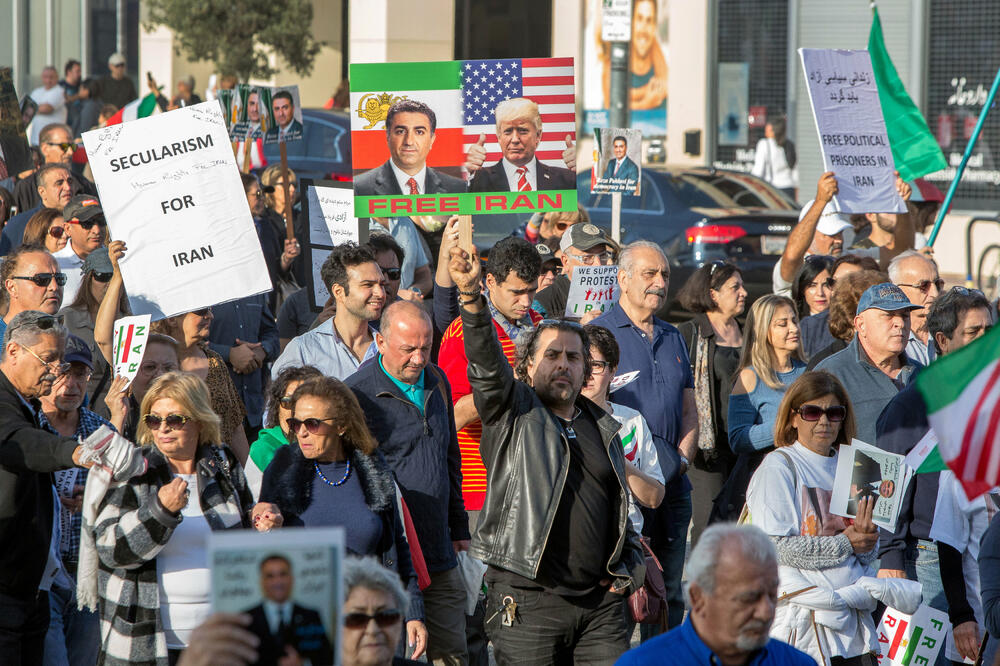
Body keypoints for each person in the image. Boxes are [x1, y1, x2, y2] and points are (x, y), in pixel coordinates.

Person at [446, 242, 645, 664]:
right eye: (551, 355)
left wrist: (630, 568)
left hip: (601, 609)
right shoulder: (514, 411)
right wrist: (470, 298)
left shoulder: (603, 425)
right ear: (527, 366)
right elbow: (485, 367)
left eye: (574, 358)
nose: (564, 365)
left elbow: (618, 504)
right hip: (529, 604)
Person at [747, 371, 921, 665]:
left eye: (834, 412)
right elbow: (772, 547)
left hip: (854, 623)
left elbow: (864, 554)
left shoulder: (858, 466)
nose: (824, 421)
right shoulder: (778, 466)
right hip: (800, 621)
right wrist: (847, 544)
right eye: (812, 412)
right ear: (793, 418)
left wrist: (867, 541)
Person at [257, 376, 428, 658]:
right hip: (306, 622)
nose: (301, 433)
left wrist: (414, 612)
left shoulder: (371, 465)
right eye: (295, 424)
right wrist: (267, 526)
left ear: (342, 425)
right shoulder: (282, 467)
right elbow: (262, 542)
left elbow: (396, 544)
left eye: (312, 424)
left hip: (369, 620)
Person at [93, 371, 256, 665]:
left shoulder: (223, 464)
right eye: (154, 420)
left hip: (220, 642)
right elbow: (110, 549)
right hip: (145, 640)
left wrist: (264, 526)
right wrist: (160, 511)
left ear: (200, 419)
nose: (163, 428)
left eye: (175, 419)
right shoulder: (133, 468)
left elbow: (246, 545)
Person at [348, 301, 471, 665]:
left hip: (438, 548)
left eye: (426, 347)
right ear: (380, 341)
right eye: (408, 349)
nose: (419, 359)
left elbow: (450, 456)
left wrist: (459, 526)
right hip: (390, 558)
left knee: (452, 653)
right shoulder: (357, 395)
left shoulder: (437, 379)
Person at [876, 287, 993, 664]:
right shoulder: (911, 405)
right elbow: (888, 484)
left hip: (985, 550)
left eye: (990, 330)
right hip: (928, 558)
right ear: (942, 340)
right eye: (973, 332)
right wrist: (890, 556)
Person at [591, 240, 695, 633]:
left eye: (664, 274)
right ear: (623, 279)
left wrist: (683, 460)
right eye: (649, 273)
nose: (659, 282)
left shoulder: (674, 336)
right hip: (620, 487)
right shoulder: (598, 335)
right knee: (619, 593)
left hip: (672, 484)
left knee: (667, 593)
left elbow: (689, 408)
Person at [0, 311, 99, 663]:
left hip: (34, 586)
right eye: (49, 359)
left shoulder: (25, 404)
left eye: (62, 360)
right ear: (13, 352)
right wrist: (77, 451)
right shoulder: (4, 404)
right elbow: (20, 442)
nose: (57, 369)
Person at [438, 236, 543, 513]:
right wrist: (509, 383)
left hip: (532, 482)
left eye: (532, 291)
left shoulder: (543, 328)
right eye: (517, 292)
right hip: (480, 488)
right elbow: (452, 415)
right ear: (491, 282)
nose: (527, 301)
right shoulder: (461, 333)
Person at [614, 524, 814, 666]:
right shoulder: (644, 662)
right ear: (698, 597)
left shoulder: (796, 662)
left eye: (772, 595)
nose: (766, 612)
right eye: (748, 598)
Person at [41, 335, 116, 666]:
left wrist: (102, 499)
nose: (70, 384)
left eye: (80, 374)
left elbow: (126, 494)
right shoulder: (26, 427)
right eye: (62, 373)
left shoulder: (101, 431)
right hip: (41, 577)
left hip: (90, 574)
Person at [676, 261, 746, 544]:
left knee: (741, 525)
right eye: (734, 287)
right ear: (713, 294)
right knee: (708, 526)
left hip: (744, 446)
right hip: (707, 450)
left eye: (742, 286)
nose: (743, 292)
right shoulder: (690, 332)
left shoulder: (747, 330)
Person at [721, 295, 806, 522]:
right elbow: (738, 439)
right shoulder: (750, 376)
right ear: (763, 331)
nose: (793, 328)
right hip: (767, 487)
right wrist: (787, 423)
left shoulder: (809, 373)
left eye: (794, 320)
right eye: (782, 324)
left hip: (806, 483)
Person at [581, 324, 665, 534]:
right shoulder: (556, 419)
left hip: (627, 539)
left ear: (613, 370)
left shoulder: (632, 419)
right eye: (581, 363)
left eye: (597, 365)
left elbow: (654, 498)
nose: (588, 374)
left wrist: (617, 458)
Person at [815, 283, 922, 444]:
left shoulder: (923, 375)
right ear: (860, 325)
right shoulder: (831, 374)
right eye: (888, 315)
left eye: (905, 315)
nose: (900, 323)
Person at [272, 242, 386, 380]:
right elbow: (279, 399)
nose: (380, 293)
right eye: (368, 285)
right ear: (339, 292)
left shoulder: (389, 348)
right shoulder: (304, 351)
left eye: (381, 284)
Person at [59, 246, 124, 419]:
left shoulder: (132, 321)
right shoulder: (65, 319)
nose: (109, 283)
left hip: (124, 414)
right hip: (82, 414)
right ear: (88, 278)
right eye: (102, 276)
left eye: (115, 276)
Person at [354, 100, 466, 196]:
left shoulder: (458, 188)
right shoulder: (359, 188)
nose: (409, 141)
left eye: (419, 132)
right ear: (387, 136)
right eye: (400, 132)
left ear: (432, 139)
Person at [207, 294, 279, 441]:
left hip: (254, 412)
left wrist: (262, 351)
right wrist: (230, 354)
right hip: (215, 415)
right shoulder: (202, 288)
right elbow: (186, 344)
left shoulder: (254, 291)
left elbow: (272, 336)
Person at [467, 98, 576, 192]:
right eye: (508, 131)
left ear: (538, 135)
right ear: (499, 137)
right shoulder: (477, 179)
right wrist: (467, 173)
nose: (515, 139)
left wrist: (581, 172)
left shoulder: (567, 179)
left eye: (522, 131)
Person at [245, 365, 324, 494]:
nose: (296, 410)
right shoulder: (263, 450)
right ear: (277, 408)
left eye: (304, 401)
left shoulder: (333, 447)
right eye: (288, 402)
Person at [243, 555, 333, 666]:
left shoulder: (311, 616)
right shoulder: (246, 618)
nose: (277, 581)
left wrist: (304, 664)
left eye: (283, 574)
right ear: (262, 581)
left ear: (291, 578)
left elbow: (327, 659)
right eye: (270, 576)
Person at [799, 254, 881, 359]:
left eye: (849, 283)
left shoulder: (888, 326)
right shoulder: (809, 327)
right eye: (833, 282)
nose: (838, 289)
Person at [103, 333, 181, 441]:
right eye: (150, 367)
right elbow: (108, 456)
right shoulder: (115, 413)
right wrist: (118, 418)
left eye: (168, 368)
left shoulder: (192, 414)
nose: (160, 375)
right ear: (131, 373)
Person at [805, 270, 888, 370]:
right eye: (887, 315)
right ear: (857, 321)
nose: (899, 323)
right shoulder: (826, 367)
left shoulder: (901, 361)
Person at [534, 222, 619, 319]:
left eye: (603, 256)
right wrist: (579, 325)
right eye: (587, 258)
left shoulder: (618, 292)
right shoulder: (543, 301)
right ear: (565, 261)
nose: (598, 264)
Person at [243, 174, 299, 313]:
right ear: (241, 195)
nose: (262, 198)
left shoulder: (265, 226)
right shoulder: (229, 232)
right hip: (244, 306)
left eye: (262, 194)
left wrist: (286, 258)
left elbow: (276, 269)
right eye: (257, 194)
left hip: (268, 305)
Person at [5, 161, 78, 252]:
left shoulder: (84, 220)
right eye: (59, 183)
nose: (68, 187)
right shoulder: (19, 224)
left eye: (70, 182)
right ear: (42, 192)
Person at [888, 250, 943, 366]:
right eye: (923, 286)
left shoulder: (949, 329)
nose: (934, 293)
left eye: (937, 284)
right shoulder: (887, 338)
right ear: (897, 289)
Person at [0, 243, 65, 340]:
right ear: (12, 287)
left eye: (59, 279)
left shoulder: (71, 344)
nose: (54, 287)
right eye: (42, 279)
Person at [54, 194, 107, 303]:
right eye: (87, 223)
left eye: (101, 221)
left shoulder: (120, 261)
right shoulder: (54, 265)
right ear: (68, 228)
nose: (96, 230)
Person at [368, 216, 433, 299]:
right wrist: (397, 294)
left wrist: (414, 292)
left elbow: (424, 274)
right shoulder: (357, 223)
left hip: (406, 307)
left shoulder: (406, 222)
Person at [751, 116, 798, 200]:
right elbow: (795, 170)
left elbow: (758, 170)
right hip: (789, 189)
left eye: (768, 130)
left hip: (773, 189)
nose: (765, 132)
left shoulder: (764, 144)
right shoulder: (789, 144)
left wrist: (752, 185)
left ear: (774, 131)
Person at [27, 67, 67, 146]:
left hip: (54, 141)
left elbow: (47, 108)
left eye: (51, 77)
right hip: (35, 139)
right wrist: (36, 108)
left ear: (57, 77)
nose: (48, 80)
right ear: (42, 77)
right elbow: (26, 110)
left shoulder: (60, 91)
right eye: (46, 77)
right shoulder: (36, 92)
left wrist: (32, 108)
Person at [790, 254, 834, 320]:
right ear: (802, 289)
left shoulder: (849, 324)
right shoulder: (793, 323)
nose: (820, 293)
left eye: (826, 285)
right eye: (812, 286)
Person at [60, 60, 83, 133]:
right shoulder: (60, 86)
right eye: (77, 71)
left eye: (80, 71)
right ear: (69, 72)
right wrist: (79, 95)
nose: (80, 74)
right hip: (65, 124)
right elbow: (64, 99)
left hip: (79, 124)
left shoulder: (81, 85)